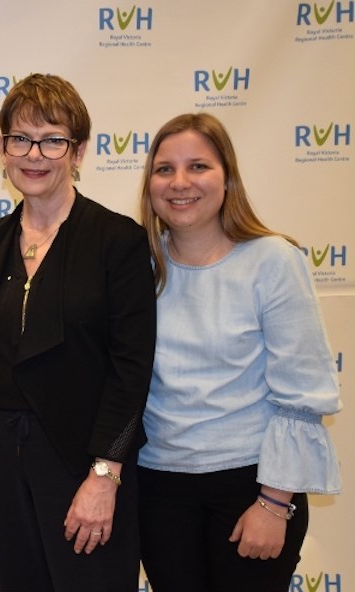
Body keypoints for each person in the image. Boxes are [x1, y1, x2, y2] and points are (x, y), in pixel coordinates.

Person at [0, 73, 156, 591]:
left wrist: (105, 473)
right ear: (3, 150)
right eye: (19, 139)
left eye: (53, 139)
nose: (34, 154)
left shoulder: (118, 242)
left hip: (84, 461)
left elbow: (131, 369)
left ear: (79, 150)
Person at [136, 112, 342, 591]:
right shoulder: (137, 267)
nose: (180, 182)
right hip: (160, 490)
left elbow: (303, 391)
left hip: (251, 487)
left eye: (198, 167)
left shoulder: (273, 260)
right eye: (164, 169)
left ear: (227, 178)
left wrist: (274, 503)